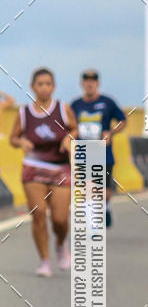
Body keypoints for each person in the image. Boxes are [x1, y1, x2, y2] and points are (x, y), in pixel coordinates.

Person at [10, 68, 77, 276]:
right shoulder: (24, 112)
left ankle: (60, 244)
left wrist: (69, 138)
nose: (44, 87)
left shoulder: (63, 109)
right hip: (34, 167)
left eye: (48, 83)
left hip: (60, 169)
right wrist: (21, 141)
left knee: (59, 219)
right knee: (38, 213)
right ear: (33, 87)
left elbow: (75, 129)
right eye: (40, 84)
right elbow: (13, 138)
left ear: (53, 87)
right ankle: (45, 261)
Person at [71, 70, 126, 227]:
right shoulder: (76, 105)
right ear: (82, 84)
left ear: (97, 83)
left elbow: (122, 121)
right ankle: (92, 223)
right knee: (89, 188)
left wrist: (111, 132)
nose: (89, 84)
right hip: (83, 153)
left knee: (104, 193)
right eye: (86, 81)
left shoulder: (108, 102)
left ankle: (106, 207)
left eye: (93, 81)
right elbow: (69, 125)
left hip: (104, 154)